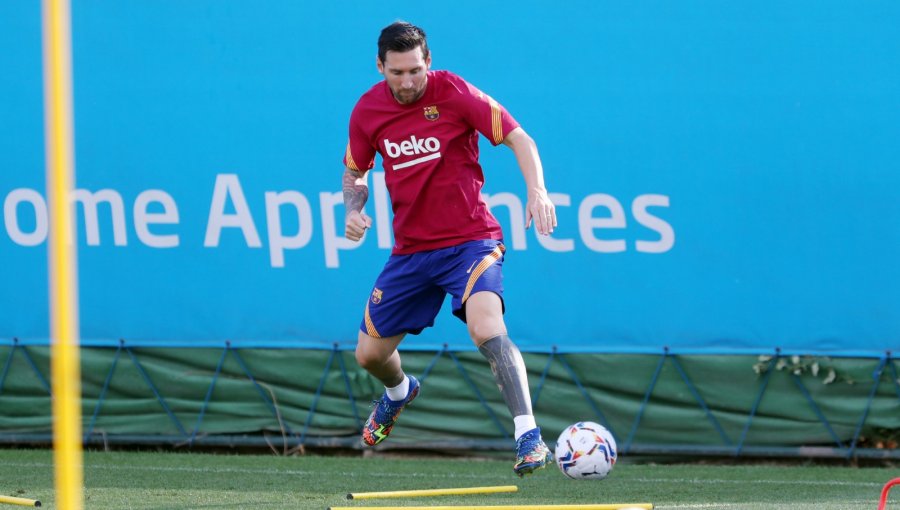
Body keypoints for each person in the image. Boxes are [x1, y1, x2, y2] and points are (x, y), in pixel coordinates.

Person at [342, 20, 557, 477]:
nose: (407, 82)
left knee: (485, 328)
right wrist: (352, 207)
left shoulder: (454, 92)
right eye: (396, 72)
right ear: (380, 66)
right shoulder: (366, 111)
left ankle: (528, 436)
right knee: (369, 356)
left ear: (428, 63)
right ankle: (400, 392)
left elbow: (520, 137)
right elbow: (356, 171)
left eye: (415, 70)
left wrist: (537, 190)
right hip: (411, 252)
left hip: (471, 241)